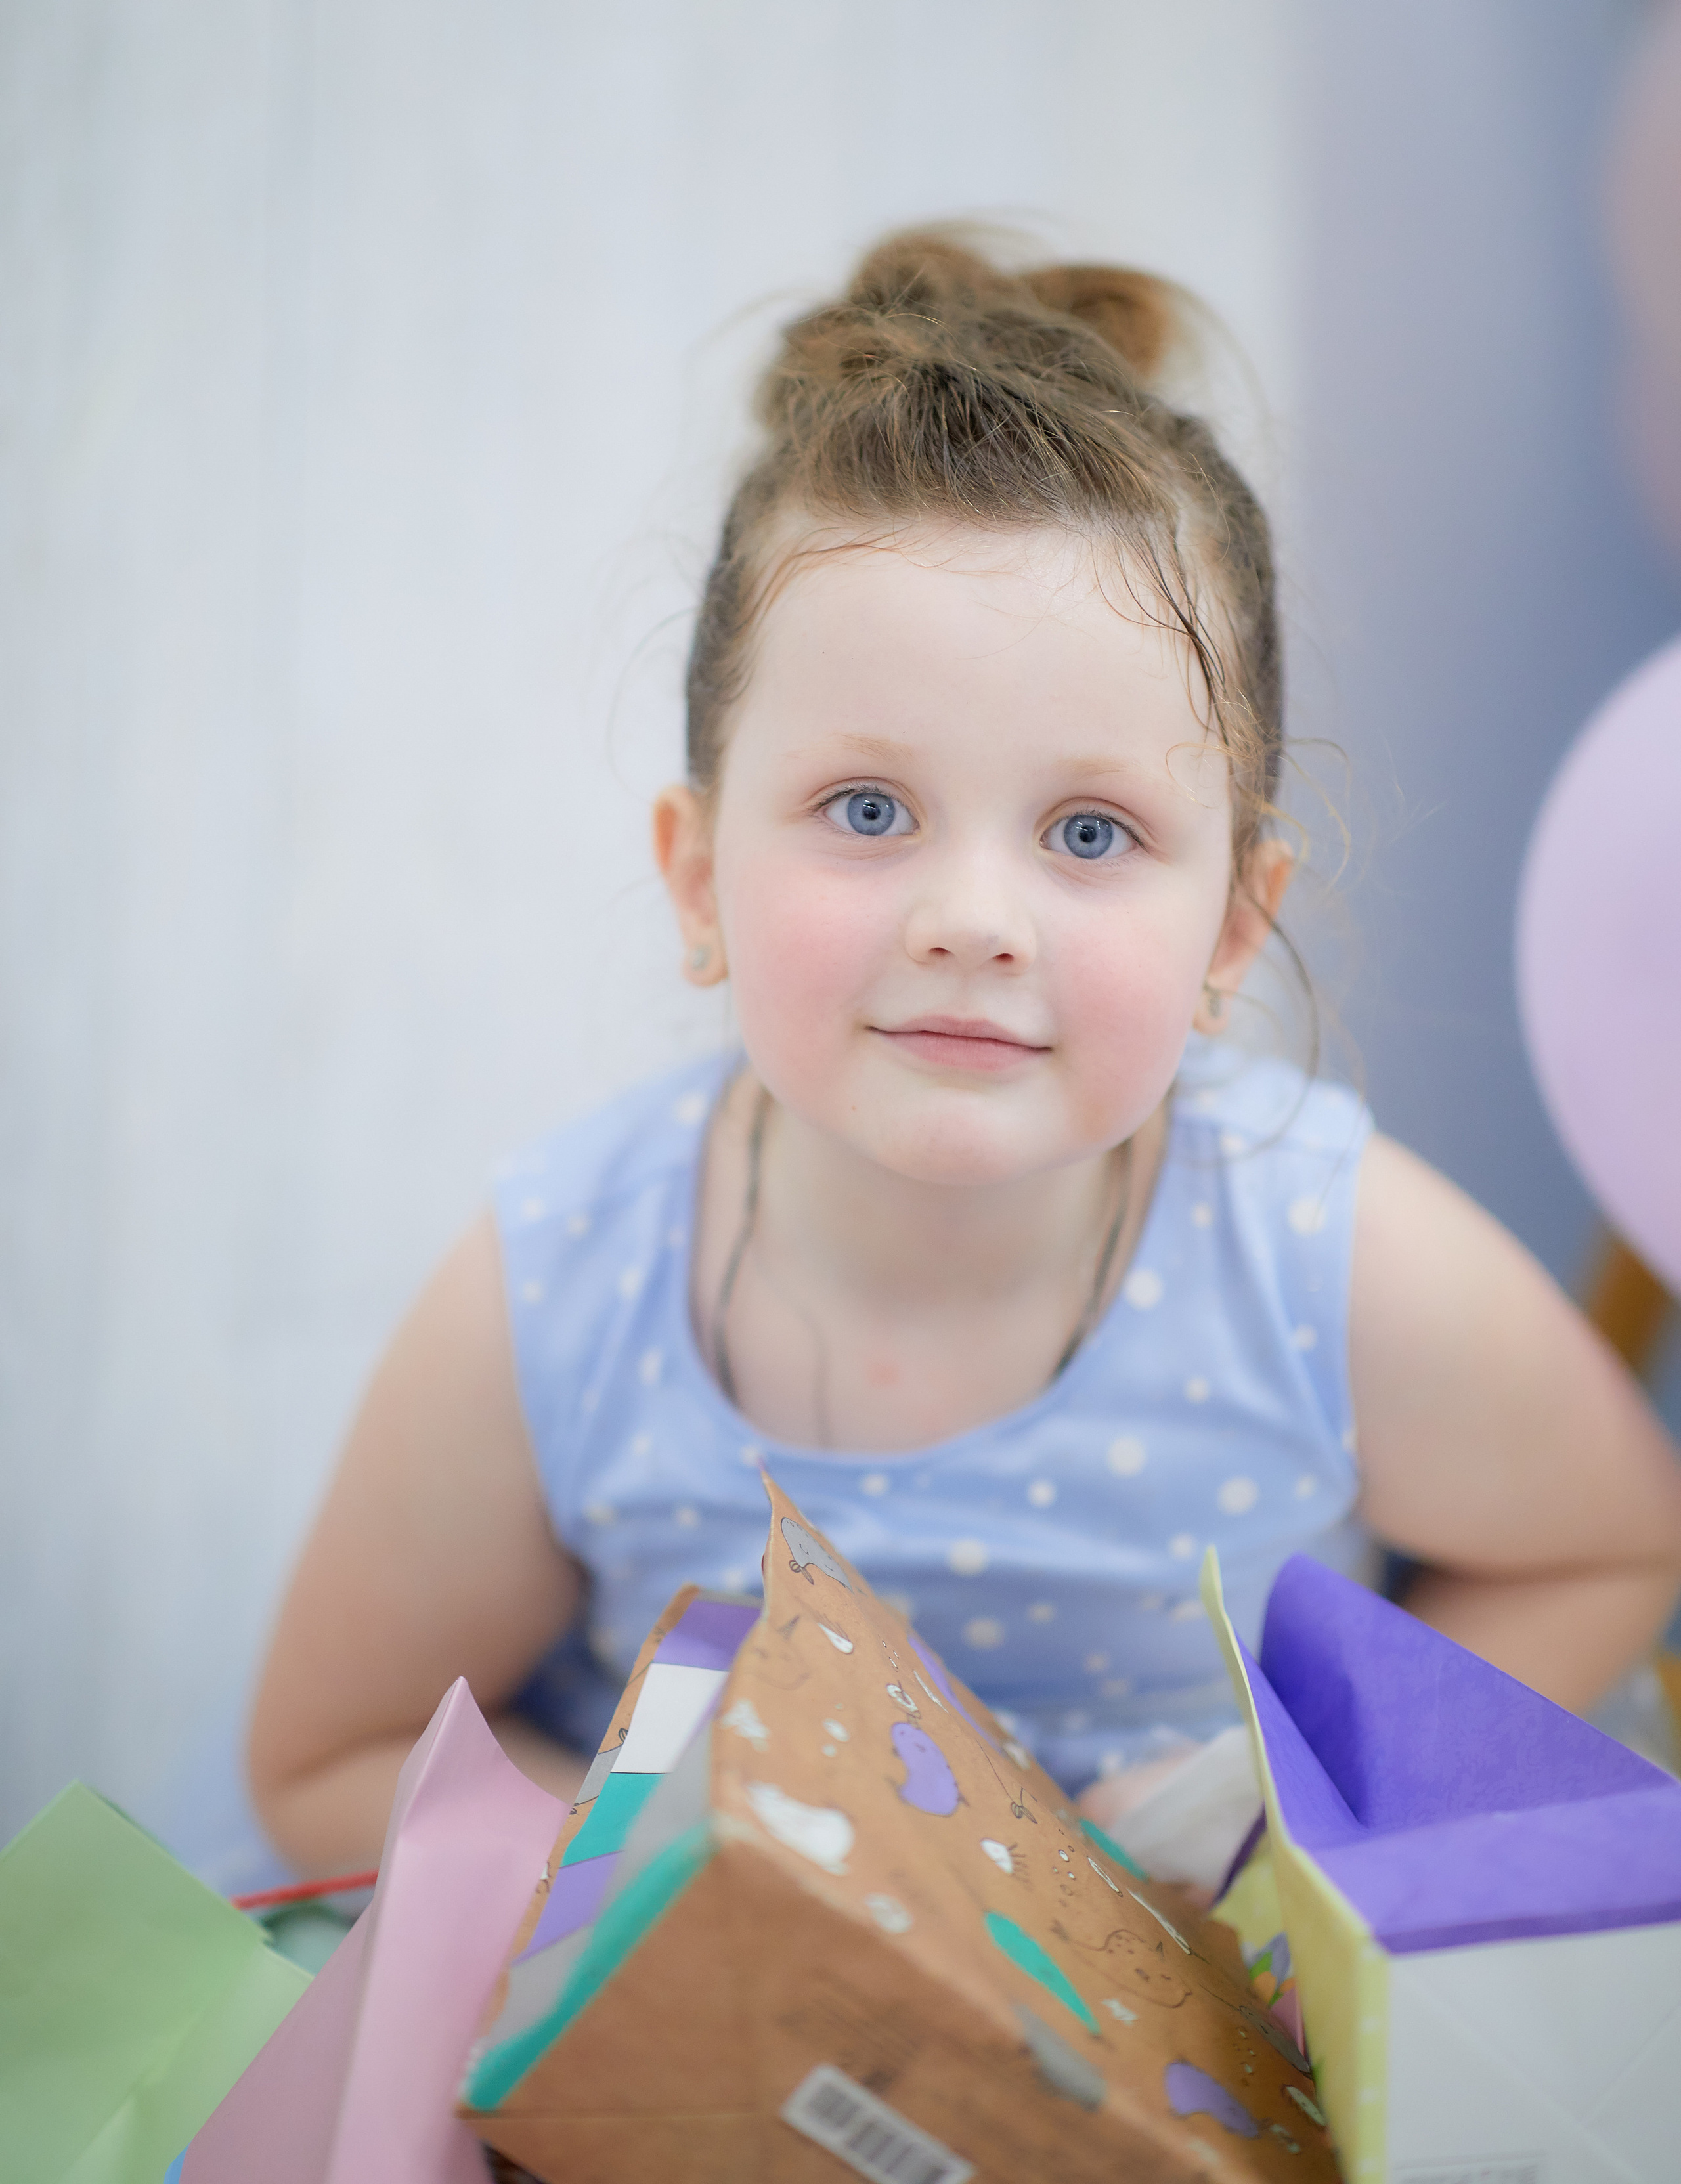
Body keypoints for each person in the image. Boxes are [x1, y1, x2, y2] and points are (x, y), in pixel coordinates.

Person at [248, 232, 1681, 1875]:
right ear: (699, 877)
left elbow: (1606, 1546)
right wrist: (661, 1876)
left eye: (1088, 829)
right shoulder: (568, 1284)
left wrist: (1300, 1823)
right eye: (867, 810)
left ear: (1230, 926)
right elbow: (328, 1755)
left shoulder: (1314, 1251)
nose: (972, 917)